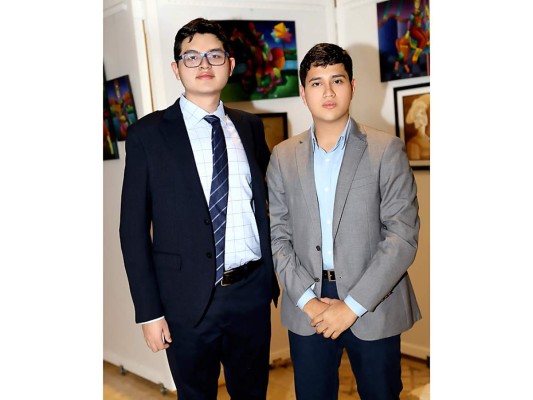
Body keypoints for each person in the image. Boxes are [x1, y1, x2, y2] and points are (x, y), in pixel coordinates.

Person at [119, 17, 279, 400]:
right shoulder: (147, 135)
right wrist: (149, 312)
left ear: (230, 64)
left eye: (214, 55)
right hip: (185, 301)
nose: (204, 64)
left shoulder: (250, 127)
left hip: (251, 293)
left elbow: (270, 204)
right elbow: (132, 230)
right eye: (191, 57)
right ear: (176, 69)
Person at [267, 43, 421, 400]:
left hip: (374, 300)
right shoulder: (283, 156)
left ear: (352, 86)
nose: (328, 91)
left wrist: (351, 307)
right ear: (303, 93)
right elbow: (278, 236)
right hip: (307, 302)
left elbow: (402, 237)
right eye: (316, 83)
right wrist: (307, 300)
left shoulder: (386, 149)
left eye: (336, 80)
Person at [405, 93, 430, 160]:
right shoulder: (413, 143)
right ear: (416, 119)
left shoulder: (429, 139)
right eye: (422, 113)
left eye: (425, 112)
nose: (425, 116)